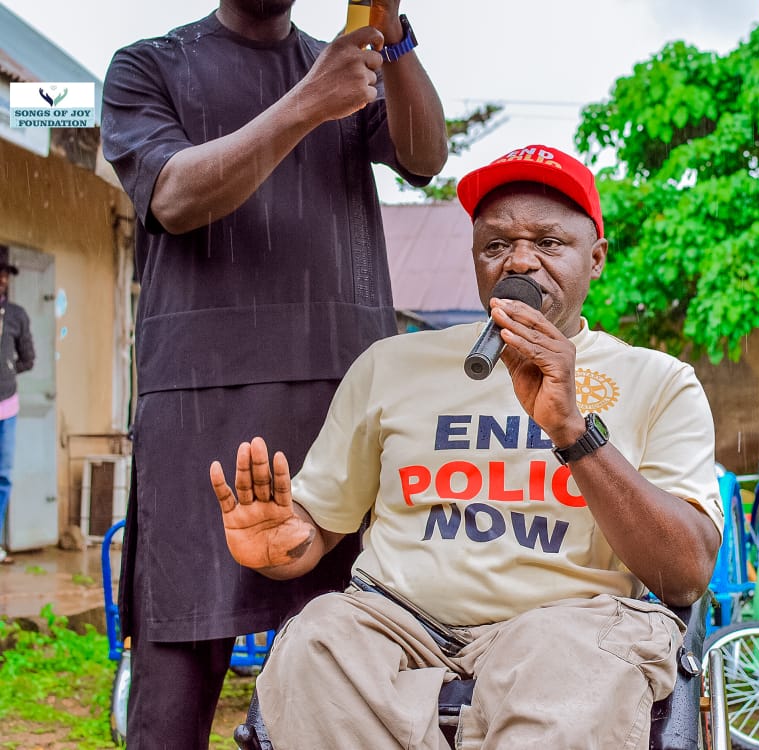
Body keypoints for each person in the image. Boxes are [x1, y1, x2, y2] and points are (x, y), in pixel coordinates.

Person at [211, 145, 724, 748]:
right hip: (397, 623)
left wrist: (572, 430)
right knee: (315, 642)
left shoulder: (658, 380)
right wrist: (280, 543)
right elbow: (317, 527)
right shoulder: (392, 364)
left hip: (567, 626)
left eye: (549, 243)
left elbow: (684, 575)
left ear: (597, 258)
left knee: (572, 670)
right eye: (497, 245)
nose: (521, 264)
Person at [100, 0, 447, 745]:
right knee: (177, 675)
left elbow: (426, 155)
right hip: (200, 409)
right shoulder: (149, 65)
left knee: (345, 665)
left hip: (340, 408)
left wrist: (395, 35)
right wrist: (308, 103)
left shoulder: (351, 66)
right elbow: (174, 196)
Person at [0, 248, 34, 565]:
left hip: (6, 405)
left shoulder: (16, 316)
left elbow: (29, 359)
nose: (2, 280)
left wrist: (9, 370)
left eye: (5, 275)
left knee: (3, 476)